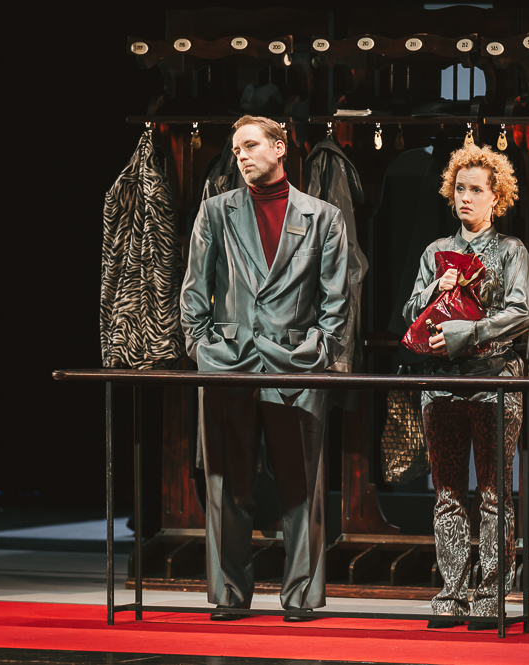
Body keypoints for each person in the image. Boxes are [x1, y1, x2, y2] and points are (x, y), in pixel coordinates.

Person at [179, 116, 351, 622]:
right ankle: (230, 593)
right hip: (228, 365)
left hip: (296, 367)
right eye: (236, 150)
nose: (241, 156)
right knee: (226, 485)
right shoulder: (216, 211)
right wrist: (204, 350)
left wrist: (317, 352)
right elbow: (193, 294)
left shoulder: (323, 217)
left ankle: (300, 597)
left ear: (280, 148)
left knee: (301, 489)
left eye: (250, 145)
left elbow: (337, 302)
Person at [401, 143, 529, 630]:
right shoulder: (435, 252)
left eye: (476, 189)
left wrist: (469, 332)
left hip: (493, 380)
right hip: (440, 383)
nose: (465, 197)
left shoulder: (511, 250)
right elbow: (408, 312)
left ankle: (492, 591)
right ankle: (452, 591)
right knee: (448, 492)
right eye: (460, 188)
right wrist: (433, 290)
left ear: (496, 197)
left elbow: (522, 313)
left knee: (495, 493)